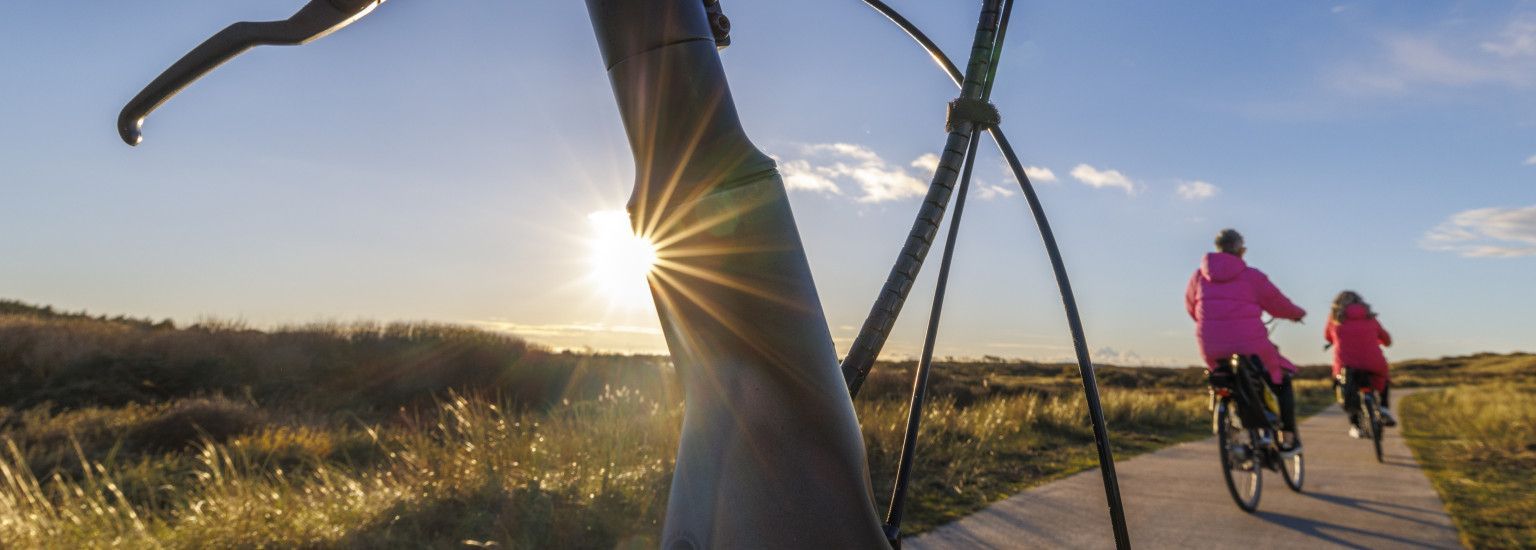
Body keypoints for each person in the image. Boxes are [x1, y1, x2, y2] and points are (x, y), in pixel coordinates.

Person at [1186, 228, 1307, 451]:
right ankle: (1288, 437)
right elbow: (1278, 304)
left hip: (1210, 346)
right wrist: (1297, 314)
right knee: (1280, 379)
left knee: (1226, 377)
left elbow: (1192, 308)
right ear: (1241, 250)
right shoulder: (1252, 276)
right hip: (1251, 345)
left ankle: (1233, 423)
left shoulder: (1198, 276)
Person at [1325, 291, 1395, 437]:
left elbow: (1327, 336)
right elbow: (1386, 339)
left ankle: (1356, 426)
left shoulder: (1334, 319)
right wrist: (1381, 341)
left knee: (1344, 389)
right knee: (1383, 376)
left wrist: (1336, 339)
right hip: (1373, 362)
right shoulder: (1370, 318)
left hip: (1346, 366)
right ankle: (1383, 408)